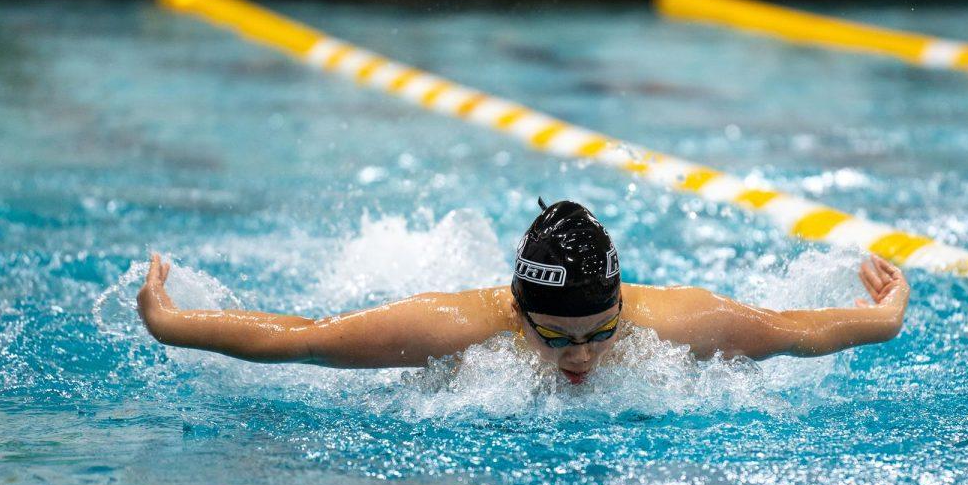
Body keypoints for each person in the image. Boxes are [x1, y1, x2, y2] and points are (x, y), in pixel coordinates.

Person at [137, 200, 909, 385]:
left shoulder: (677, 319)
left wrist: (884, 317)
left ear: (621, 304)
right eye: (556, 337)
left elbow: (793, 328)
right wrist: (175, 324)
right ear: (518, 312)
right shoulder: (457, 327)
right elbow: (304, 336)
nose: (582, 357)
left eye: (599, 332)